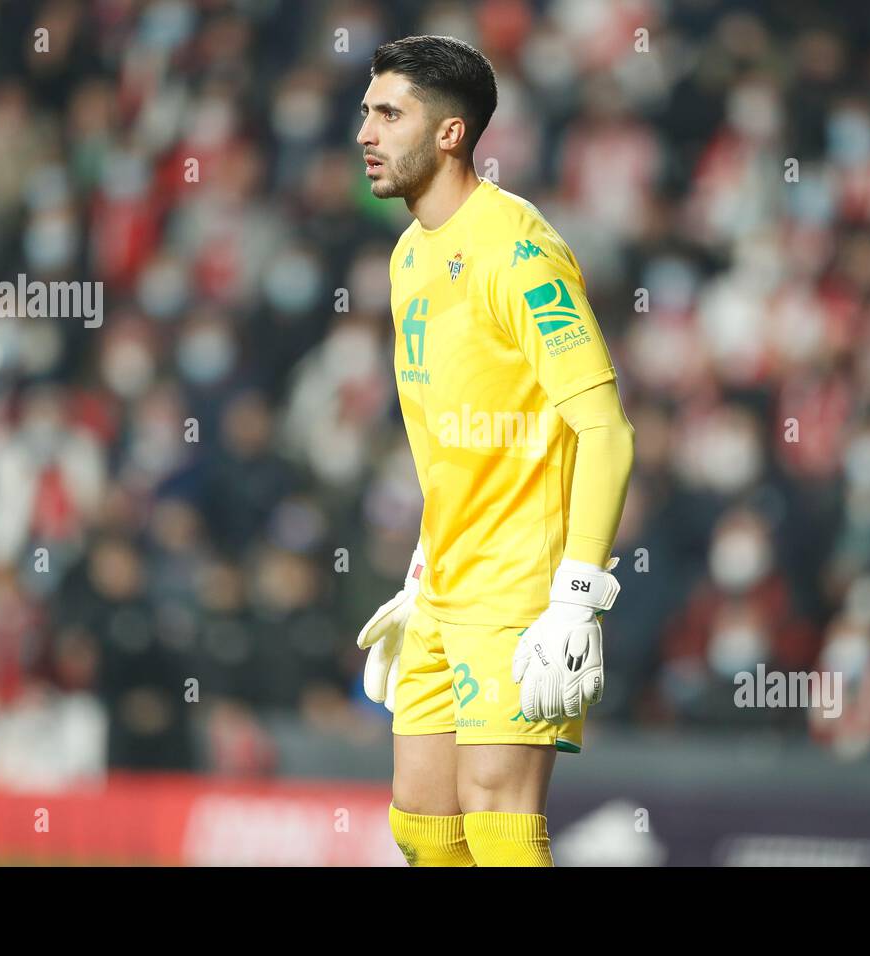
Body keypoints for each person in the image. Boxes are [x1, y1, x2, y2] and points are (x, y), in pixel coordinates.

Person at [353, 35, 635, 866]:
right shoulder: (409, 257)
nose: (364, 131)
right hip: (445, 578)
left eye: (387, 113)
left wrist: (577, 596)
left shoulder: (520, 253)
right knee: (425, 827)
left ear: (449, 133)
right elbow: (458, 431)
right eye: (366, 111)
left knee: (498, 823)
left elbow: (606, 430)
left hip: (521, 586)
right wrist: (420, 565)